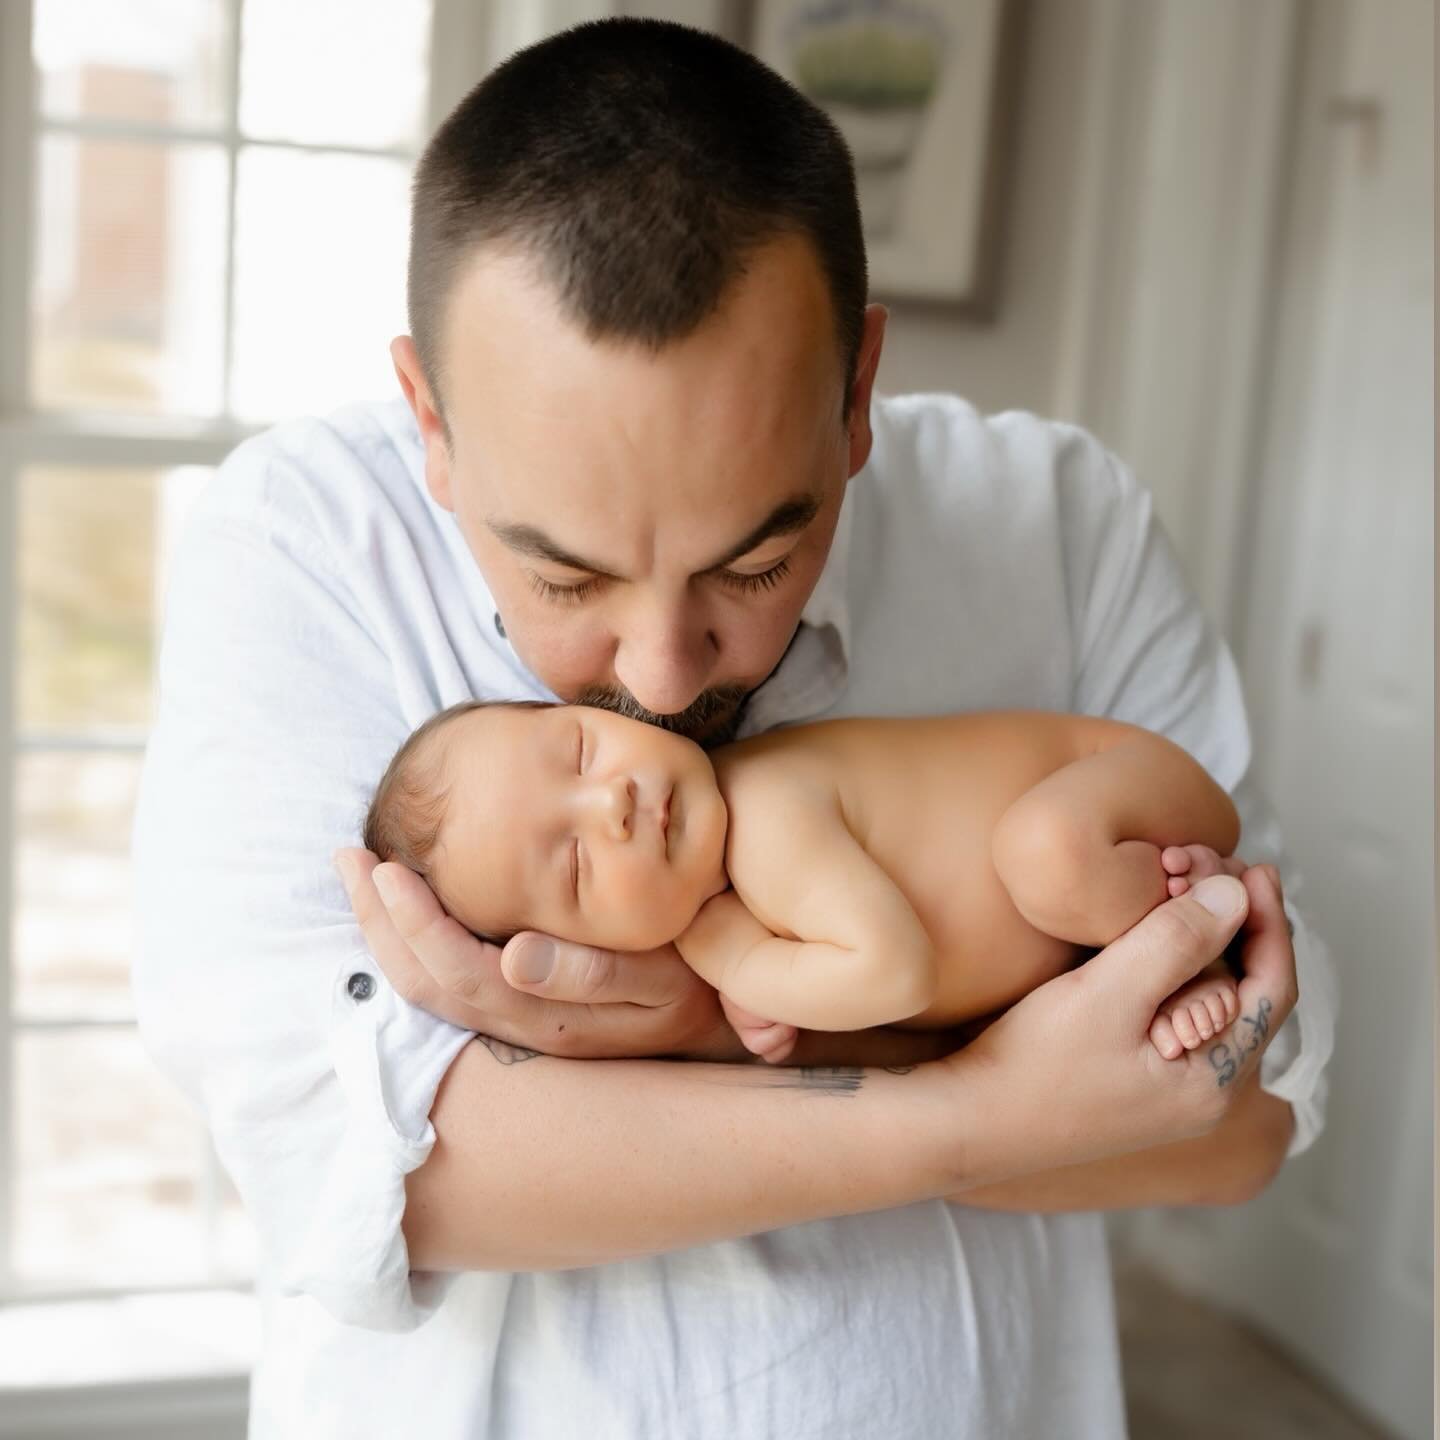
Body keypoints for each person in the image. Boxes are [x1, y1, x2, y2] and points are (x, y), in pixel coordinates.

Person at [132, 17, 1335, 1439]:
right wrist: (984, 1108)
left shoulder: (1055, 529)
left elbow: (1245, 1120)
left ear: (858, 393)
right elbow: (370, 1170)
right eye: (565, 577)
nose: (653, 673)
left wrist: (682, 1043)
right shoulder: (307, 547)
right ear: (430, 422)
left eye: (755, 566)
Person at [362, 699, 1246, 1063]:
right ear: (578, 950)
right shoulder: (731, 887)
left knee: (1048, 853)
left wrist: (745, 965)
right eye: (578, 863)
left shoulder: (764, 815)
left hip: (1119, 784)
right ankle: (1171, 911)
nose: (614, 802)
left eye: (582, 748)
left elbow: (896, 973)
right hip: (1080, 908)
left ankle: (1190, 932)